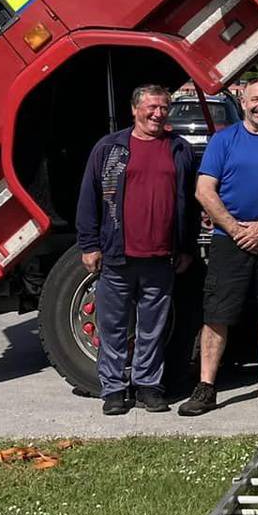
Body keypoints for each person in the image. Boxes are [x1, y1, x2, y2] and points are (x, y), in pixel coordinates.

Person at [180, 78, 258, 416]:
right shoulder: (224, 140)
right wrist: (238, 230)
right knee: (217, 314)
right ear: (243, 101)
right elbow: (204, 191)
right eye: (255, 98)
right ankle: (206, 386)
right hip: (229, 242)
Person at [75, 83, 198, 415]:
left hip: (161, 258)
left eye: (163, 108)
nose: (158, 114)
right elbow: (89, 199)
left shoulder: (179, 149)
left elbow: (189, 204)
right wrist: (89, 245)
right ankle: (114, 389)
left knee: (152, 329)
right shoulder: (111, 148)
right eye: (151, 107)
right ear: (135, 109)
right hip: (117, 256)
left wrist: (185, 247)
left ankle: (148, 387)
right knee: (113, 327)